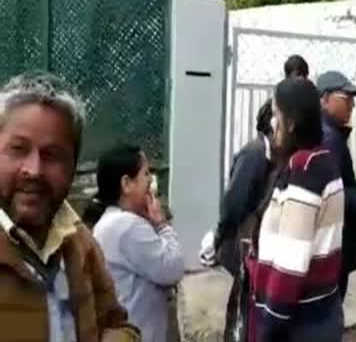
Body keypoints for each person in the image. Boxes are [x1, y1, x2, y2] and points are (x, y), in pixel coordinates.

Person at [0, 72, 139, 341]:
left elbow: (116, 322)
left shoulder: (79, 242)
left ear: (73, 166)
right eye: (18, 149)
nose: (34, 170)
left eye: (52, 155)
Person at [246, 78, 345, 342]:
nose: (272, 124)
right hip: (319, 313)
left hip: (298, 322)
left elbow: (292, 260)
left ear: (291, 122)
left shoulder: (305, 170)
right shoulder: (320, 160)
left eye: (276, 114)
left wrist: (270, 325)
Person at [89, 144, 186, 342]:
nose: (151, 181)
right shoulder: (127, 226)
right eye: (145, 174)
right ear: (126, 184)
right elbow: (173, 268)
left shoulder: (111, 222)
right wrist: (161, 224)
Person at [200, 101, 277, 342]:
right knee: (243, 307)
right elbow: (233, 203)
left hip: (252, 249)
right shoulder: (255, 154)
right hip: (241, 246)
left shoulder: (269, 155)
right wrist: (219, 234)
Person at [316, 70, 356, 300]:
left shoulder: (329, 134)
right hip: (333, 244)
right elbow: (331, 191)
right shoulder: (329, 137)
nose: (352, 105)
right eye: (346, 98)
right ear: (324, 98)